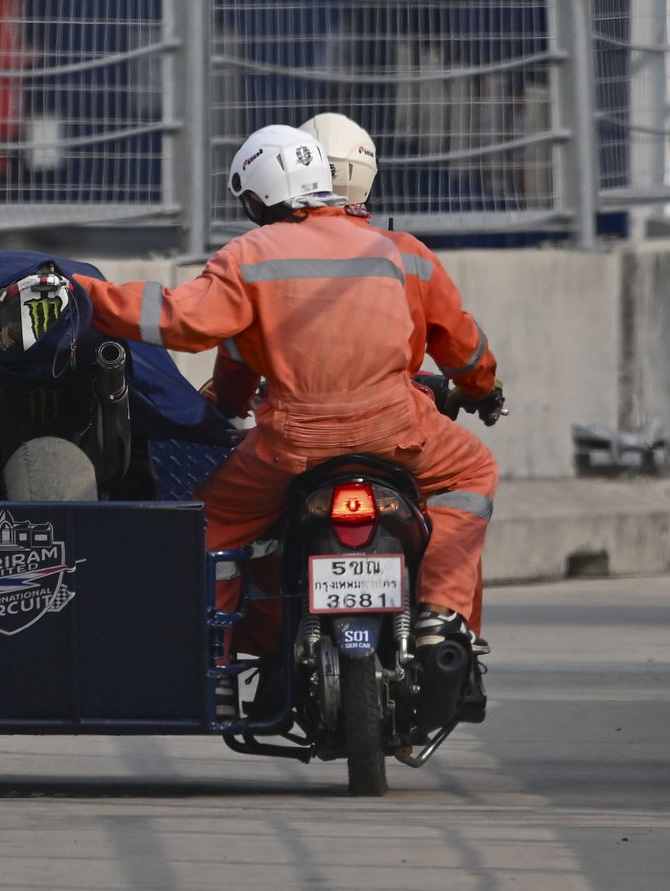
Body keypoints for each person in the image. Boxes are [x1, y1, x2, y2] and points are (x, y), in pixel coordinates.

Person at [70, 124, 498, 680]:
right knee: (474, 473)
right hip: (398, 429)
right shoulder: (386, 250)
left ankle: (214, 658)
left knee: (211, 526)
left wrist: (83, 292)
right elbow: (447, 338)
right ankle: (441, 613)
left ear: (258, 195)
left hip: (294, 444)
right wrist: (485, 388)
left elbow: (182, 321)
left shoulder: (250, 254)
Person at [205, 112, 505, 642]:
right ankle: (447, 623)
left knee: (239, 525)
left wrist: (221, 401)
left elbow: (236, 356)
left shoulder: (267, 253)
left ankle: (227, 652)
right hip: (397, 424)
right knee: (462, 494)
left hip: (296, 432)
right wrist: (483, 389)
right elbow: (461, 344)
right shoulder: (402, 252)